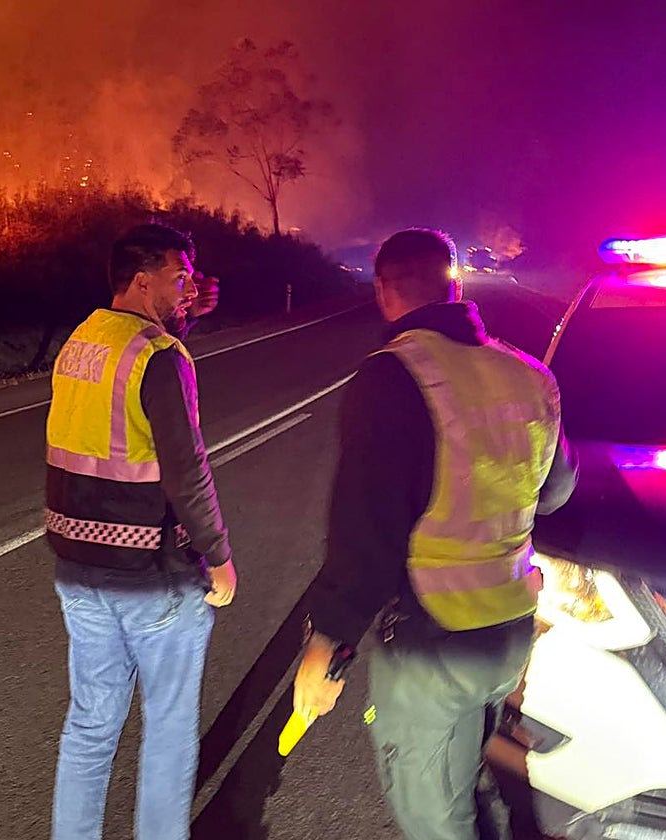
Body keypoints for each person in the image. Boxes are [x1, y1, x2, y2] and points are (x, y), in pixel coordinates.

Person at [293, 228, 576, 840]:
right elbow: (555, 491)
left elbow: (367, 530)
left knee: (434, 818)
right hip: (511, 630)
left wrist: (327, 643)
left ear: (384, 291)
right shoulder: (527, 374)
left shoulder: (393, 375)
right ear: (455, 286)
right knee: (468, 780)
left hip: (435, 641)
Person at [45, 222, 238, 840]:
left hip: (80, 571)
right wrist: (218, 555)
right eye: (180, 278)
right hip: (153, 573)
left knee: (90, 724)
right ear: (142, 280)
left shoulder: (82, 340)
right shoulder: (160, 357)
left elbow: (128, 399)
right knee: (169, 730)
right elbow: (187, 468)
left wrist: (184, 319)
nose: (189, 289)